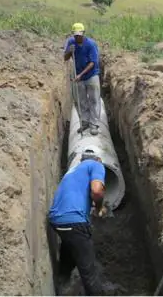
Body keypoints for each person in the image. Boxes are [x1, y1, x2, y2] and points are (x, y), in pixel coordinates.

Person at [48, 147, 110, 295]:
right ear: (98, 159)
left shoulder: (72, 172)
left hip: (57, 220)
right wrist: (99, 207)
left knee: (69, 246)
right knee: (89, 272)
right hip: (74, 222)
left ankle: (63, 285)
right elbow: (96, 191)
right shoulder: (96, 165)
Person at [64, 23, 101, 135]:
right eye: (75, 35)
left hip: (91, 75)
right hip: (78, 76)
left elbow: (93, 63)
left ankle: (94, 124)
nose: (77, 37)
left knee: (94, 99)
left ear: (83, 33)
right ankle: (84, 121)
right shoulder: (71, 42)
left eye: (79, 35)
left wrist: (80, 75)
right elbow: (65, 58)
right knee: (81, 100)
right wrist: (69, 51)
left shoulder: (91, 44)